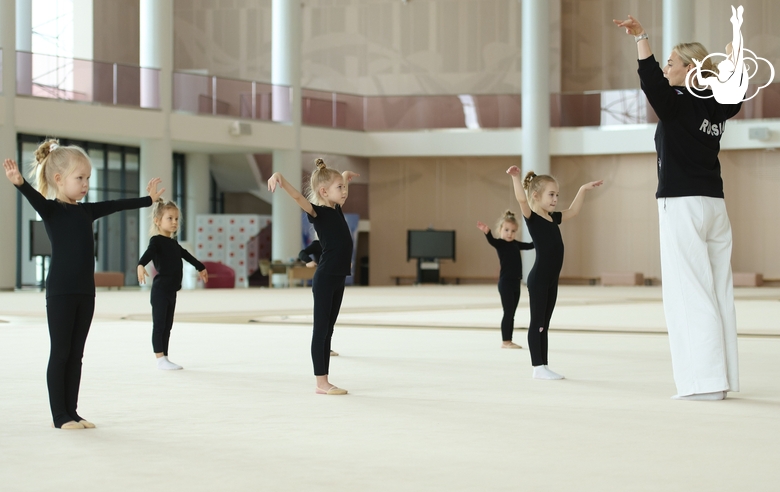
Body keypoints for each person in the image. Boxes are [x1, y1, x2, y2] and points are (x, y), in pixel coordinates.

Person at [613, 15, 743, 400]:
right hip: (714, 207)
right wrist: (734, 61)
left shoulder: (677, 103)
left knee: (688, 292)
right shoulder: (718, 104)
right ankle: (724, 378)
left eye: (673, 61)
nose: (666, 66)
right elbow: (735, 91)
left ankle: (705, 384)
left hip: (683, 205)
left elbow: (651, 81)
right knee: (719, 291)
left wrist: (641, 38)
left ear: (690, 69)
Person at [3, 140, 163, 429]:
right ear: (59, 179)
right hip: (61, 292)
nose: (86, 183)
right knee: (61, 352)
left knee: (76, 355)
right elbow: (33, 198)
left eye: (88, 178)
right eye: (80, 178)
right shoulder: (51, 210)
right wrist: (19, 183)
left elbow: (115, 206)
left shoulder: (86, 211)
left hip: (85, 292)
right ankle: (59, 416)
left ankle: (73, 412)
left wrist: (148, 201)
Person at [268, 158, 359, 395]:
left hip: (338, 277)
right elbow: (299, 197)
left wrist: (345, 175)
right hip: (326, 276)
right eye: (340, 188)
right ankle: (321, 382)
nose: (344, 192)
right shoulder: (317, 212)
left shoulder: (337, 209)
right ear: (323, 191)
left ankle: (325, 370)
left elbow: (341, 191)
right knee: (320, 329)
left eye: (343, 188)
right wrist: (279, 176)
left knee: (329, 327)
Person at [507, 166, 602, 380]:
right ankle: (537, 367)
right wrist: (515, 177)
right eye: (551, 194)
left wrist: (583, 189)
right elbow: (521, 200)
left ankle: (544, 366)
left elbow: (574, 211)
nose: (555, 199)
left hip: (551, 280)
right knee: (537, 322)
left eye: (557, 195)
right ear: (536, 195)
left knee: (544, 325)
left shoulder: (553, 218)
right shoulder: (532, 217)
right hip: (539, 279)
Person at [137, 199, 208, 370]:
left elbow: (186, 255)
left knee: (168, 326)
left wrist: (200, 266)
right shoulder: (156, 241)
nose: (174, 222)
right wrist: (140, 264)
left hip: (171, 290)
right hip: (160, 289)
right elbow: (148, 254)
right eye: (170, 218)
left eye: (176, 219)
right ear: (157, 221)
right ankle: (159, 358)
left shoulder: (174, 243)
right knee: (160, 324)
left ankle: (165, 357)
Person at [476, 211, 534, 349]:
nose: (510, 233)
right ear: (500, 230)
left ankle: (509, 340)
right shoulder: (500, 244)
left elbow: (530, 245)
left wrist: (541, 238)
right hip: (505, 283)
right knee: (508, 312)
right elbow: (491, 241)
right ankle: (505, 341)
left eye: (513, 231)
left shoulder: (515, 244)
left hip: (515, 283)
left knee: (512, 313)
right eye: (506, 230)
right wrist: (487, 232)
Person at [297, 239, 339, 357]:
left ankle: (327, 347)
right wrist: (309, 261)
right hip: (323, 278)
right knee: (323, 317)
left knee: (331, 318)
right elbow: (302, 253)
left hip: (335, 278)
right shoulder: (318, 244)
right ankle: (322, 349)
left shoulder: (335, 242)